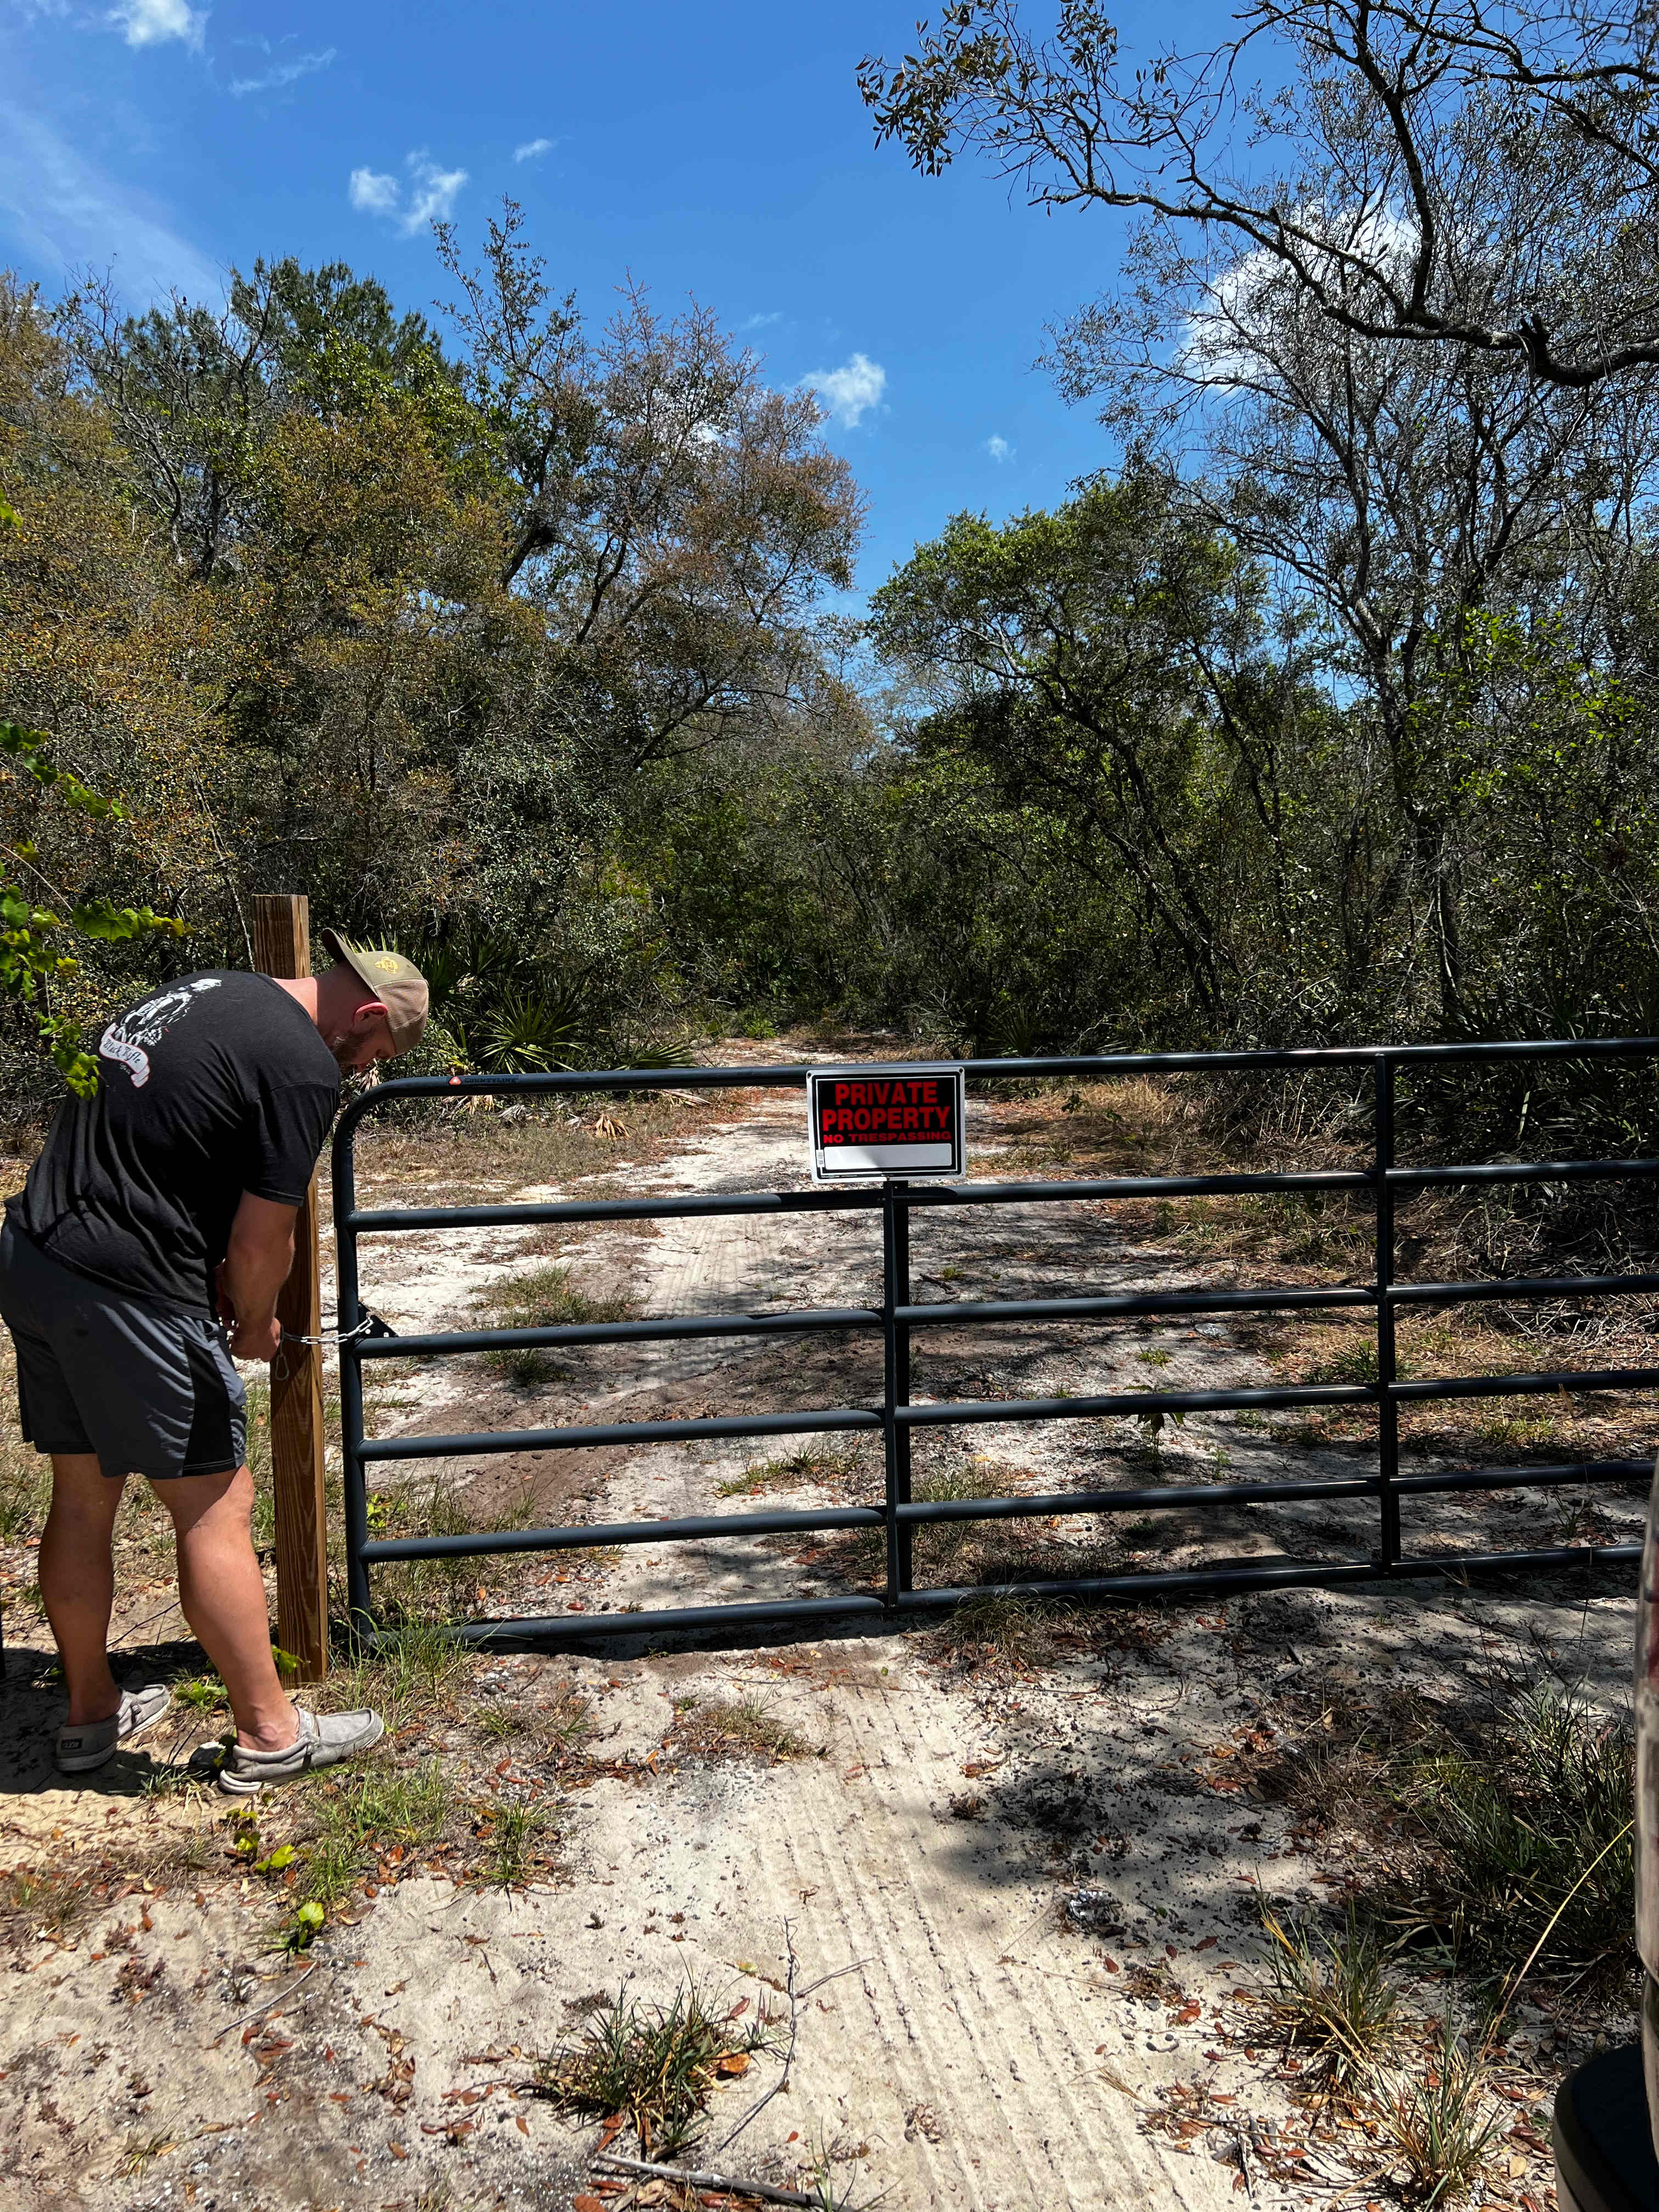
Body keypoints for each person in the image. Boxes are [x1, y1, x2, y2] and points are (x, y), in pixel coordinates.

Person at [0, 931, 429, 1792]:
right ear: (368, 1013)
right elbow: (261, 1236)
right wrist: (257, 1323)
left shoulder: (208, 991)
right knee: (215, 1504)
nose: (361, 1074)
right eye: (373, 1055)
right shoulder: (301, 1067)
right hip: (131, 1285)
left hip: (34, 1253)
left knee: (82, 1495)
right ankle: (272, 1734)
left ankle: (89, 1711)